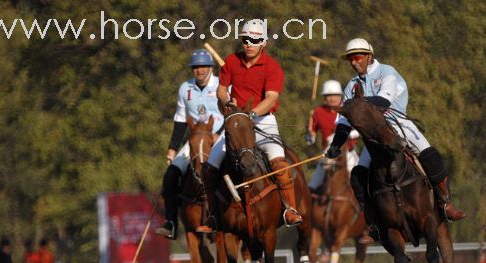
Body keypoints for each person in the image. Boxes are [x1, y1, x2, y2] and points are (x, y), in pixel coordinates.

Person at [326, 38, 466, 243]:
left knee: (430, 156)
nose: (354, 62)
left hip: (398, 122)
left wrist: (356, 103)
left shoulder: (386, 72)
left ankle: (446, 204)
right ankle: (374, 224)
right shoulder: (351, 86)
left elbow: (384, 100)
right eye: (350, 59)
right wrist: (335, 146)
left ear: (369, 56)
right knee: (357, 175)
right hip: (374, 136)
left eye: (357, 57)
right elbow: (345, 123)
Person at [196, 19, 302, 233]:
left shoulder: (272, 67)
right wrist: (227, 103)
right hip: (236, 123)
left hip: (263, 121)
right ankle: (213, 216)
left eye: (254, 40)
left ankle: (290, 209)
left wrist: (251, 114)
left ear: (263, 42)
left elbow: (271, 98)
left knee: (280, 165)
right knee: (210, 168)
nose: (249, 44)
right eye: (245, 39)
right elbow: (221, 90)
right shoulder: (231, 62)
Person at [155, 49, 224, 239]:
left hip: (221, 138)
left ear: (211, 67)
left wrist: (218, 134)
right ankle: (171, 222)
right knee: (171, 174)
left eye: (203, 66)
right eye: (195, 67)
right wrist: (172, 148)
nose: (199, 70)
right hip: (195, 141)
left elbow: (231, 111)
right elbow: (180, 120)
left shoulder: (221, 84)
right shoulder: (185, 88)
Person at [307, 80, 359, 194]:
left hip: (348, 153)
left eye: (335, 95)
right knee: (312, 185)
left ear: (340, 96)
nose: (332, 98)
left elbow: (359, 130)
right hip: (328, 153)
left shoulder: (348, 109)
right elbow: (312, 134)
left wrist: (348, 134)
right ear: (324, 97)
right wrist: (310, 137)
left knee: (358, 182)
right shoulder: (317, 112)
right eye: (328, 95)